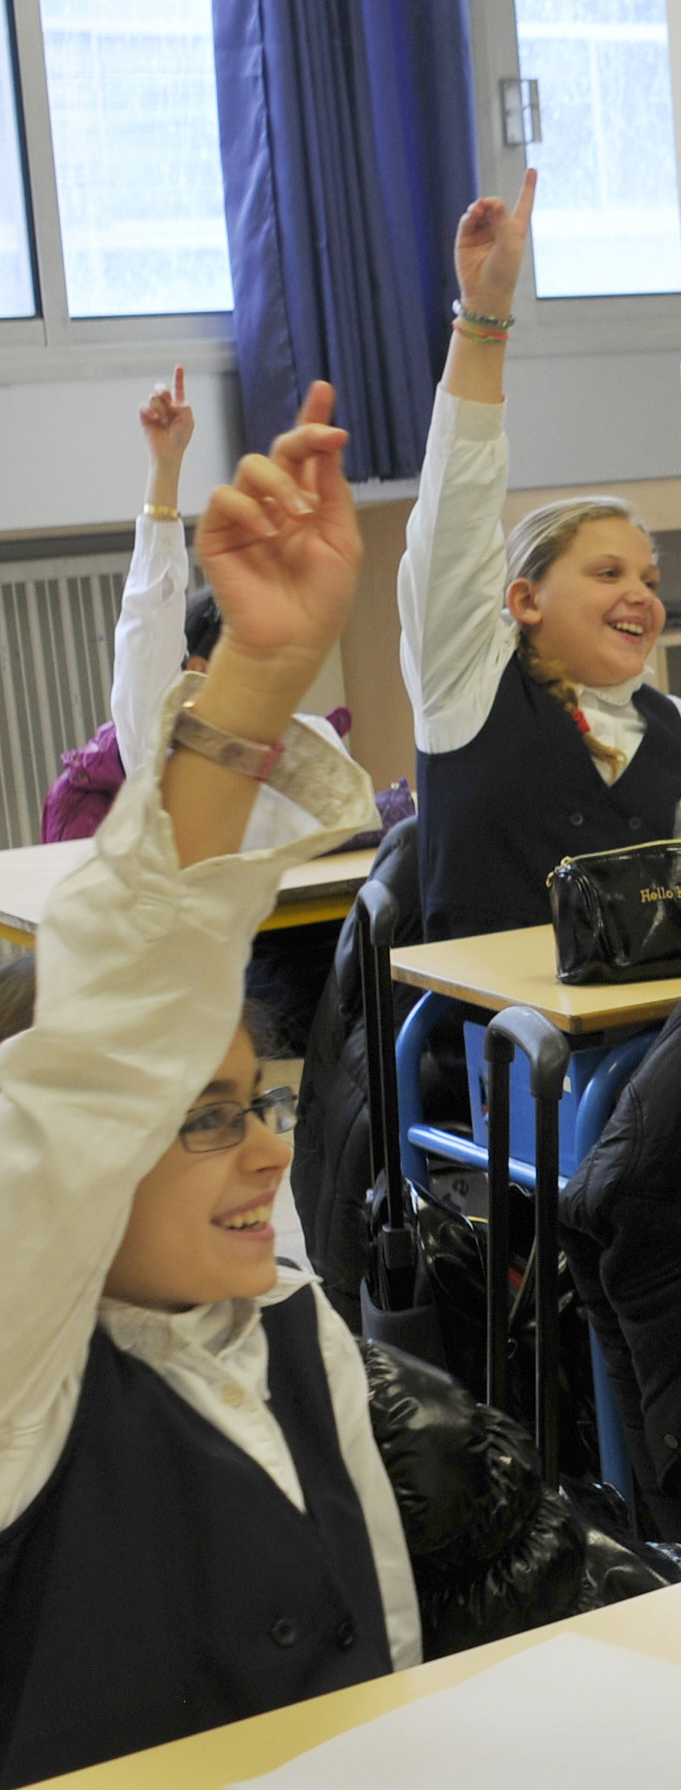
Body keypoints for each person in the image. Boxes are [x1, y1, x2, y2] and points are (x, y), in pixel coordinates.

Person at [0, 390, 416, 1785]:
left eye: (256, 1105)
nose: (266, 1159)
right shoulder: (24, 1395)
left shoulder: (295, 1329)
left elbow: (385, 1657)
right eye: (199, 1118)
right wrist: (244, 684)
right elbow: (106, 1033)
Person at [401, 171, 681, 940]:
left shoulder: (672, 726)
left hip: (630, 1038)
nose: (640, 595)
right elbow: (458, 505)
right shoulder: (467, 680)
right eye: (607, 574)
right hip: (479, 1043)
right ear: (525, 601)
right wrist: (485, 317)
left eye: (648, 577)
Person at [44, 371, 354, 848]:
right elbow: (147, 638)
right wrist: (164, 473)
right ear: (195, 670)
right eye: (239, 652)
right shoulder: (159, 748)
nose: (256, 670)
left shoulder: (306, 740)